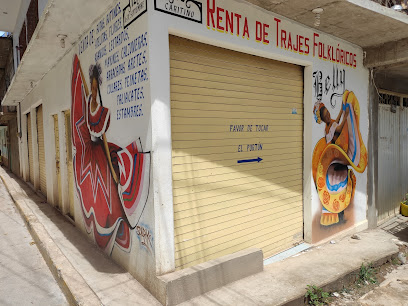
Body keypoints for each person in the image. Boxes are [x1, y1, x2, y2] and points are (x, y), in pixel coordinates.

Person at [71, 55, 150, 254]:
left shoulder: (98, 106)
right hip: (95, 157)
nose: (95, 91)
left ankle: (119, 229)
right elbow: (92, 127)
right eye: (93, 87)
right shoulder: (91, 104)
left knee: (121, 179)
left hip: (104, 153)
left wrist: (98, 115)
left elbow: (99, 126)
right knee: (106, 199)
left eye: (97, 88)